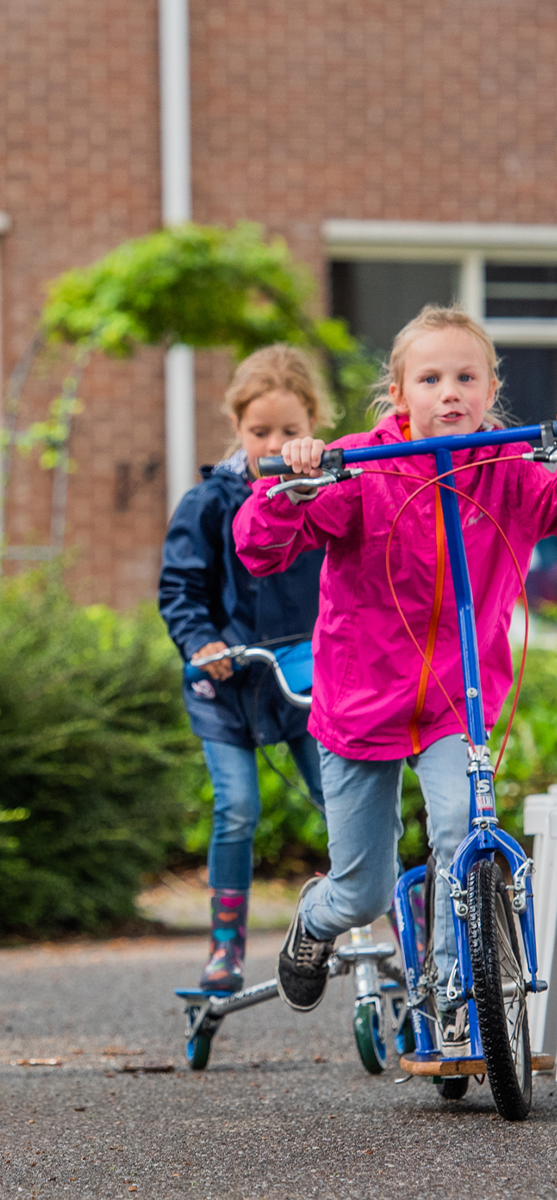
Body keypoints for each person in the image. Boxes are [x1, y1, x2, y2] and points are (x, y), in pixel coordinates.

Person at [234, 306, 557, 1047]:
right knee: (364, 889)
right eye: (431, 377)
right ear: (399, 391)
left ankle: (450, 1000)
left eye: (466, 377)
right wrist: (299, 484)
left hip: (457, 699)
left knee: (459, 833)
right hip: (361, 697)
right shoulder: (361, 466)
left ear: (491, 389)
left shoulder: (509, 472)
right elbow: (259, 548)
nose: (450, 392)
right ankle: (315, 921)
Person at [159, 345, 327, 994]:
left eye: (290, 430)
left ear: (313, 422)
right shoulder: (209, 501)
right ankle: (225, 946)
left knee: (342, 804)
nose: (276, 444)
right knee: (237, 809)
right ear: (237, 426)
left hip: (308, 677)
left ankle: (392, 930)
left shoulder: (326, 492)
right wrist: (202, 643)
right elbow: (180, 588)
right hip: (228, 679)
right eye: (260, 432)